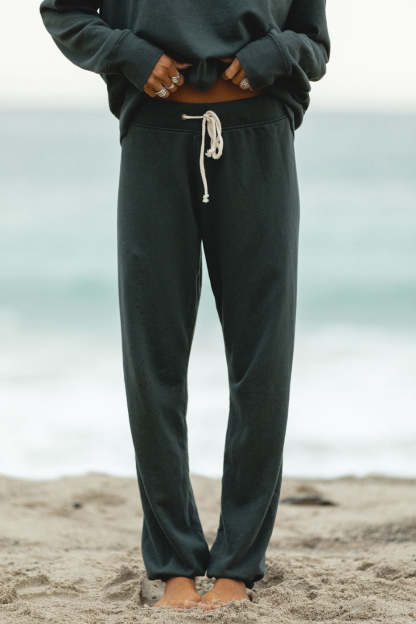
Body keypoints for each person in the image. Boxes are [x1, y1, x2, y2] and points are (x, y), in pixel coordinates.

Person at [39, 0, 330, 611]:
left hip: (258, 136)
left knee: (262, 362)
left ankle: (238, 565)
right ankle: (174, 561)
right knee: (153, 363)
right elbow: (65, 12)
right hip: (155, 138)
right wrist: (128, 52)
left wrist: (275, 53)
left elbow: (312, 40)